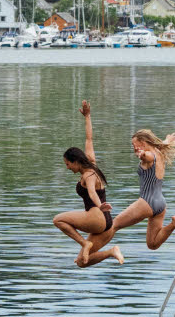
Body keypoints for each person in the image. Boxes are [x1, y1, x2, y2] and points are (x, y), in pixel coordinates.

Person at [84, 110, 175, 253]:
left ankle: (89, 251)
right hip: (161, 204)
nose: (134, 148)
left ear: (144, 143)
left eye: (136, 144)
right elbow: (160, 145)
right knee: (152, 244)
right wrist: (167, 140)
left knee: (113, 225)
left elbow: (147, 156)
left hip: (147, 201)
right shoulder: (159, 151)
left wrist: (142, 154)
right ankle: (174, 223)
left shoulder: (149, 155)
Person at [51, 101, 125, 268]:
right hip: (105, 224)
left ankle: (85, 244)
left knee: (58, 220)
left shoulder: (88, 174)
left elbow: (91, 193)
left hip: (98, 216)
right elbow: (89, 138)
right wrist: (87, 117)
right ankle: (111, 252)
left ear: (75, 162)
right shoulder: (91, 162)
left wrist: (101, 206)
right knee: (81, 262)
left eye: (68, 164)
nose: (67, 167)